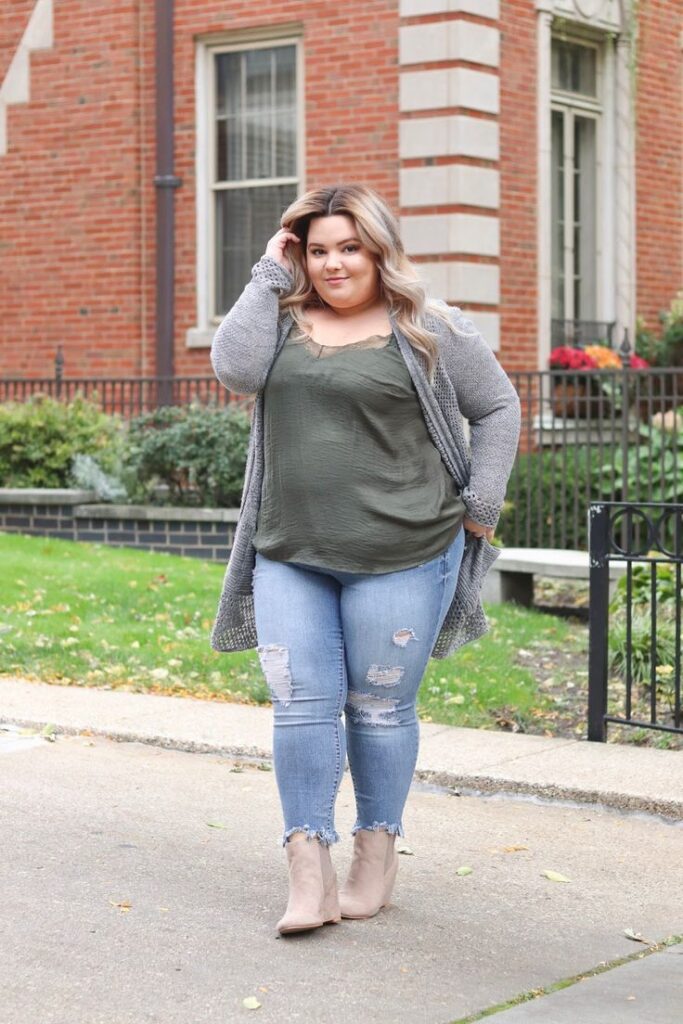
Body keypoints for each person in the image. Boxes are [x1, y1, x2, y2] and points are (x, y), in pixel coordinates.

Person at [209, 184, 521, 937]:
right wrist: (267, 271)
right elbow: (234, 371)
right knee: (300, 703)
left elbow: (499, 407)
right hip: (290, 551)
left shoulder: (429, 327)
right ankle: (307, 868)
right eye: (317, 250)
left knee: (377, 707)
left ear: (378, 250)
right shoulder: (280, 324)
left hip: (404, 553)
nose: (333, 264)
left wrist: (479, 508)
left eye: (348, 247)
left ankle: (374, 856)